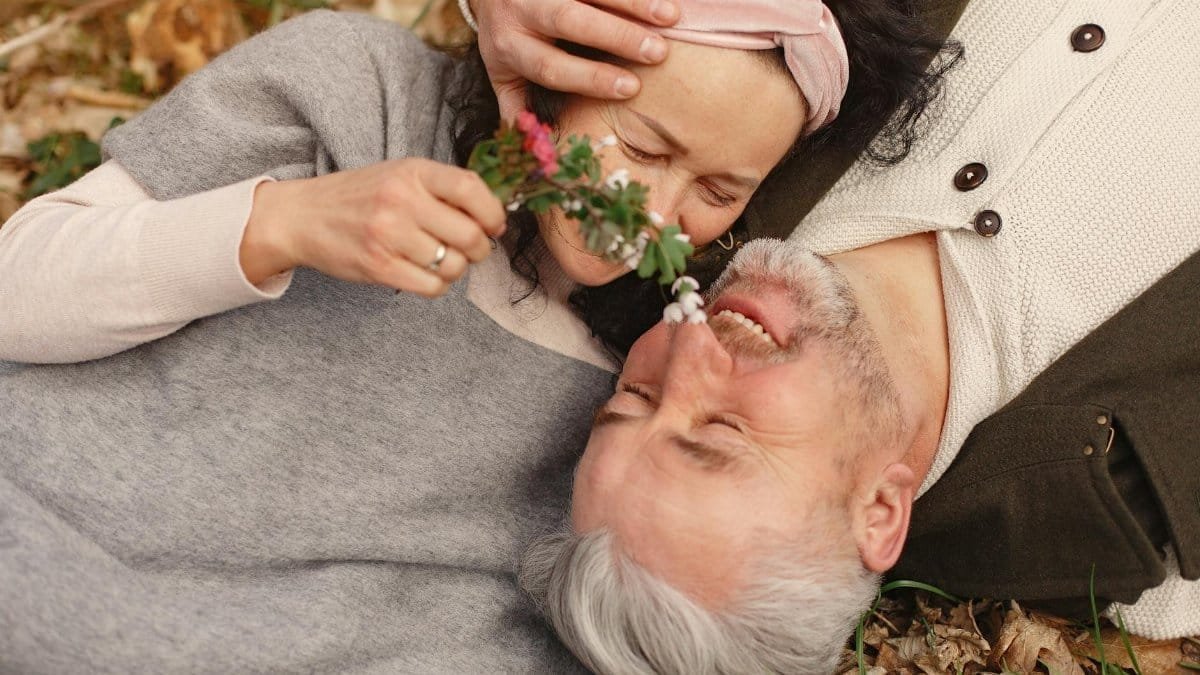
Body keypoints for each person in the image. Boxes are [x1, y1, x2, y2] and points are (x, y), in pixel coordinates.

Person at [0, 1, 952, 671]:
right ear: (551, 69)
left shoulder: (644, 392)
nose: (655, 213)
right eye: (644, 147)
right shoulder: (357, 97)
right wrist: (280, 225)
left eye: (717, 192)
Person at [502, 0, 1200, 670]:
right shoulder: (1142, 508)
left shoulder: (681, 170)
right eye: (722, 431)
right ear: (879, 511)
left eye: (635, 395)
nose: (686, 347)